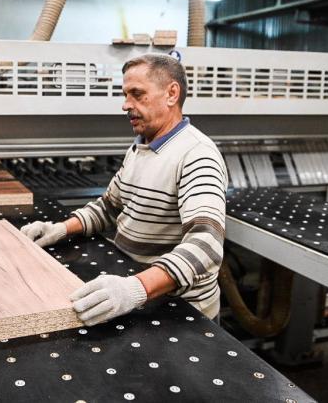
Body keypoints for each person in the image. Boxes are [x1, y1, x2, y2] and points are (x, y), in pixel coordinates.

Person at [21, 54, 227, 325]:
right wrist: (59, 229)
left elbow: (206, 245)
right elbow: (109, 207)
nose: (125, 105)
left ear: (171, 94)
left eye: (137, 94)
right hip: (138, 292)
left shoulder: (196, 154)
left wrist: (135, 288)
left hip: (181, 311)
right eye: (125, 95)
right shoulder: (140, 147)